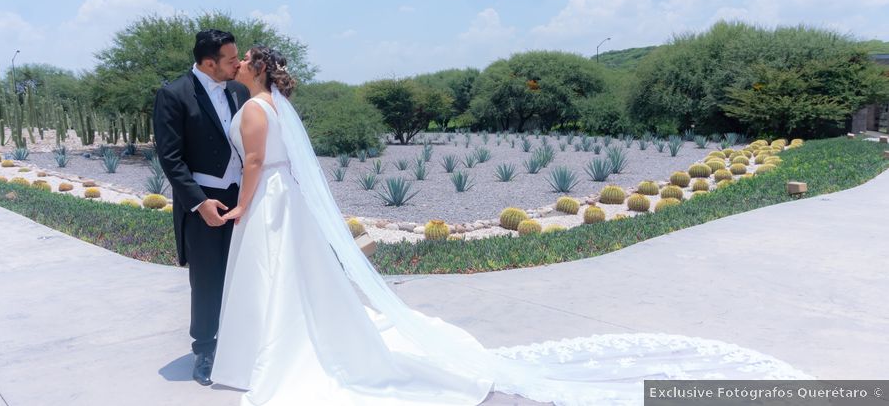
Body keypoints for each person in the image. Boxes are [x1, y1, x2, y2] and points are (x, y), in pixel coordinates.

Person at [210, 44, 811, 405]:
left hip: (272, 203)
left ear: (257, 71)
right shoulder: (273, 105)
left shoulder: (257, 110)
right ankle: (274, 348)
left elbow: (258, 163)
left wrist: (241, 205)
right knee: (293, 282)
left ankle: (268, 358)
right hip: (287, 201)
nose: (235, 66)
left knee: (278, 279)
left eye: (242, 63)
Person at [153, 29, 250, 386]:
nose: (237, 63)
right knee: (207, 279)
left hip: (243, 199)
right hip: (205, 203)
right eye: (230, 59)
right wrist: (198, 203)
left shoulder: (239, 90)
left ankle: (243, 339)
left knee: (244, 271)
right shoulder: (173, 94)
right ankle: (206, 349)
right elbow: (171, 158)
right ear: (209, 63)